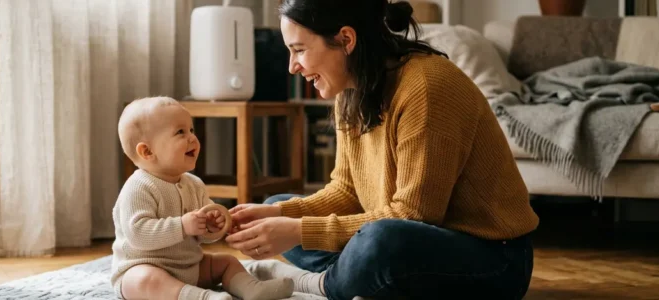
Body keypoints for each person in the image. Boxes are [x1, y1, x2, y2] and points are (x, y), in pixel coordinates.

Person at [224, 0, 540, 299]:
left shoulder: (428, 87)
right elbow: (346, 191)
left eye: (299, 50)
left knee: (380, 240)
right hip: (410, 244)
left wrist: (299, 229)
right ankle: (354, 279)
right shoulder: (350, 87)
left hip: (495, 260)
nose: (293, 67)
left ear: (346, 39)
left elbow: (415, 216)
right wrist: (279, 214)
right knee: (277, 202)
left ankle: (321, 285)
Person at [110, 96, 294, 300]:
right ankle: (201, 297)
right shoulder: (138, 188)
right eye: (180, 132)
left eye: (191, 130)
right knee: (145, 280)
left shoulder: (194, 184)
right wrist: (182, 226)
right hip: (144, 267)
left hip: (190, 266)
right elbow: (138, 234)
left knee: (226, 262)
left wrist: (214, 226)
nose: (192, 138)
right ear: (147, 151)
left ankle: (252, 289)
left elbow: (204, 235)